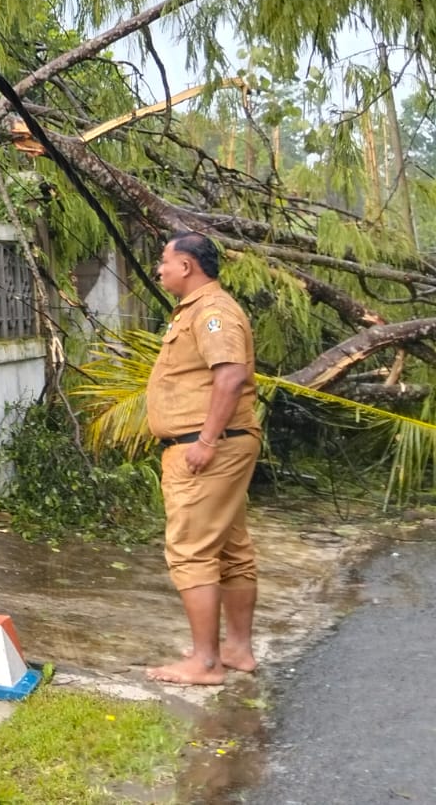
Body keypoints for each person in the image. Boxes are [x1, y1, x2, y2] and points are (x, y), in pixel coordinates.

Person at [144, 231, 262, 686]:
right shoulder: (198, 311)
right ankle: (235, 650)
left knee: (191, 550)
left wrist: (207, 442)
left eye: (164, 260)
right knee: (229, 549)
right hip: (215, 444)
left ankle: (206, 663)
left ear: (188, 266)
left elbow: (230, 376)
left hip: (207, 448)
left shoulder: (212, 312)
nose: (160, 268)